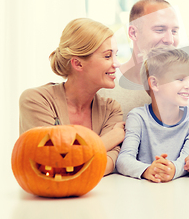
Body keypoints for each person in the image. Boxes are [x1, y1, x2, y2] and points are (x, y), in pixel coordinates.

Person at [98, 0, 189, 177]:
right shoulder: (105, 89)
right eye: (160, 29)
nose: (170, 39)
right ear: (133, 33)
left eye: (175, 31)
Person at [19, 18, 125, 175]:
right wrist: (111, 138)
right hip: (46, 198)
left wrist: (70, 158)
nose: (117, 64)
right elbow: (50, 166)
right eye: (107, 56)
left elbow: (106, 165)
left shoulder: (111, 109)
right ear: (78, 64)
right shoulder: (36, 100)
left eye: (116, 55)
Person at [116, 47, 189, 182]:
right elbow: (123, 159)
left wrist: (171, 170)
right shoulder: (137, 117)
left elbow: (187, 160)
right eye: (180, 79)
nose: (188, 86)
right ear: (155, 83)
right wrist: (148, 170)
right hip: (143, 191)